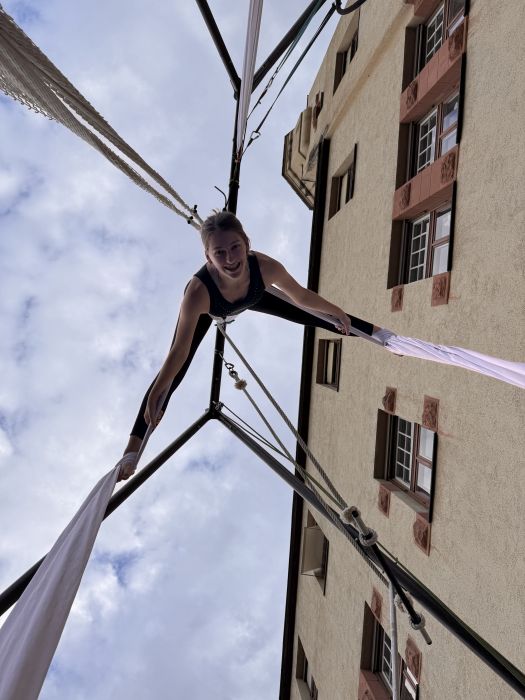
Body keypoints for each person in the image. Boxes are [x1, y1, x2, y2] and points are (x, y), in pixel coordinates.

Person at [116, 211, 374, 480]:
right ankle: (132, 450)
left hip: (254, 294)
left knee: (319, 317)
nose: (230, 259)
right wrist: (156, 391)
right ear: (208, 257)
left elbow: (300, 296)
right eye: (219, 253)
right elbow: (179, 351)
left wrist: (337, 311)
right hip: (211, 307)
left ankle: (379, 336)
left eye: (235, 247)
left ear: (247, 243)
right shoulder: (196, 294)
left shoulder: (266, 267)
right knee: (171, 376)